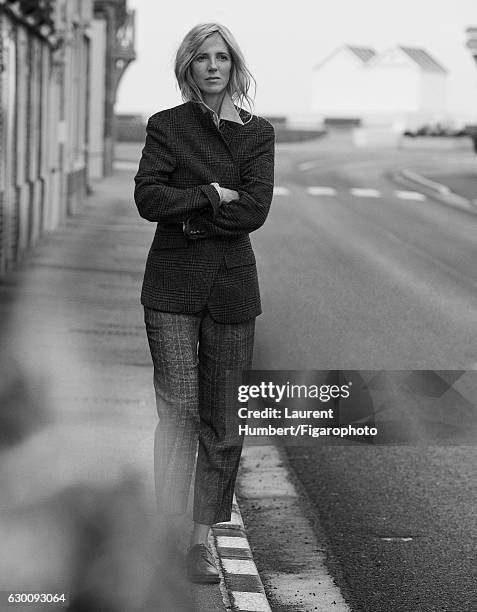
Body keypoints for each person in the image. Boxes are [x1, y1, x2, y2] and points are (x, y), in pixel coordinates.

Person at [134, 22, 275, 584]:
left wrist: (187, 208)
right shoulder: (166, 126)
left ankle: (200, 542)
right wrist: (214, 194)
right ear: (187, 68)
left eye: (221, 58)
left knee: (223, 421)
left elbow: (255, 211)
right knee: (179, 412)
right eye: (201, 59)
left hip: (232, 290)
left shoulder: (258, 134)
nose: (212, 67)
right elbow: (148, 198)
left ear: (234, 65)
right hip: (171, 286)